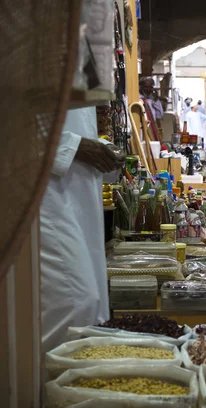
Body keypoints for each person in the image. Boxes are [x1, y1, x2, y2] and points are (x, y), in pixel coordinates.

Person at [40, 107, 125, 352]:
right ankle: (46, 387)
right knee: (75, 302)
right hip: (45, 199)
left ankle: (76, 382)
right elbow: (16, 129)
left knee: (89, 306)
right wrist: (75, 146)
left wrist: (103, 152)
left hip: (76, 201)